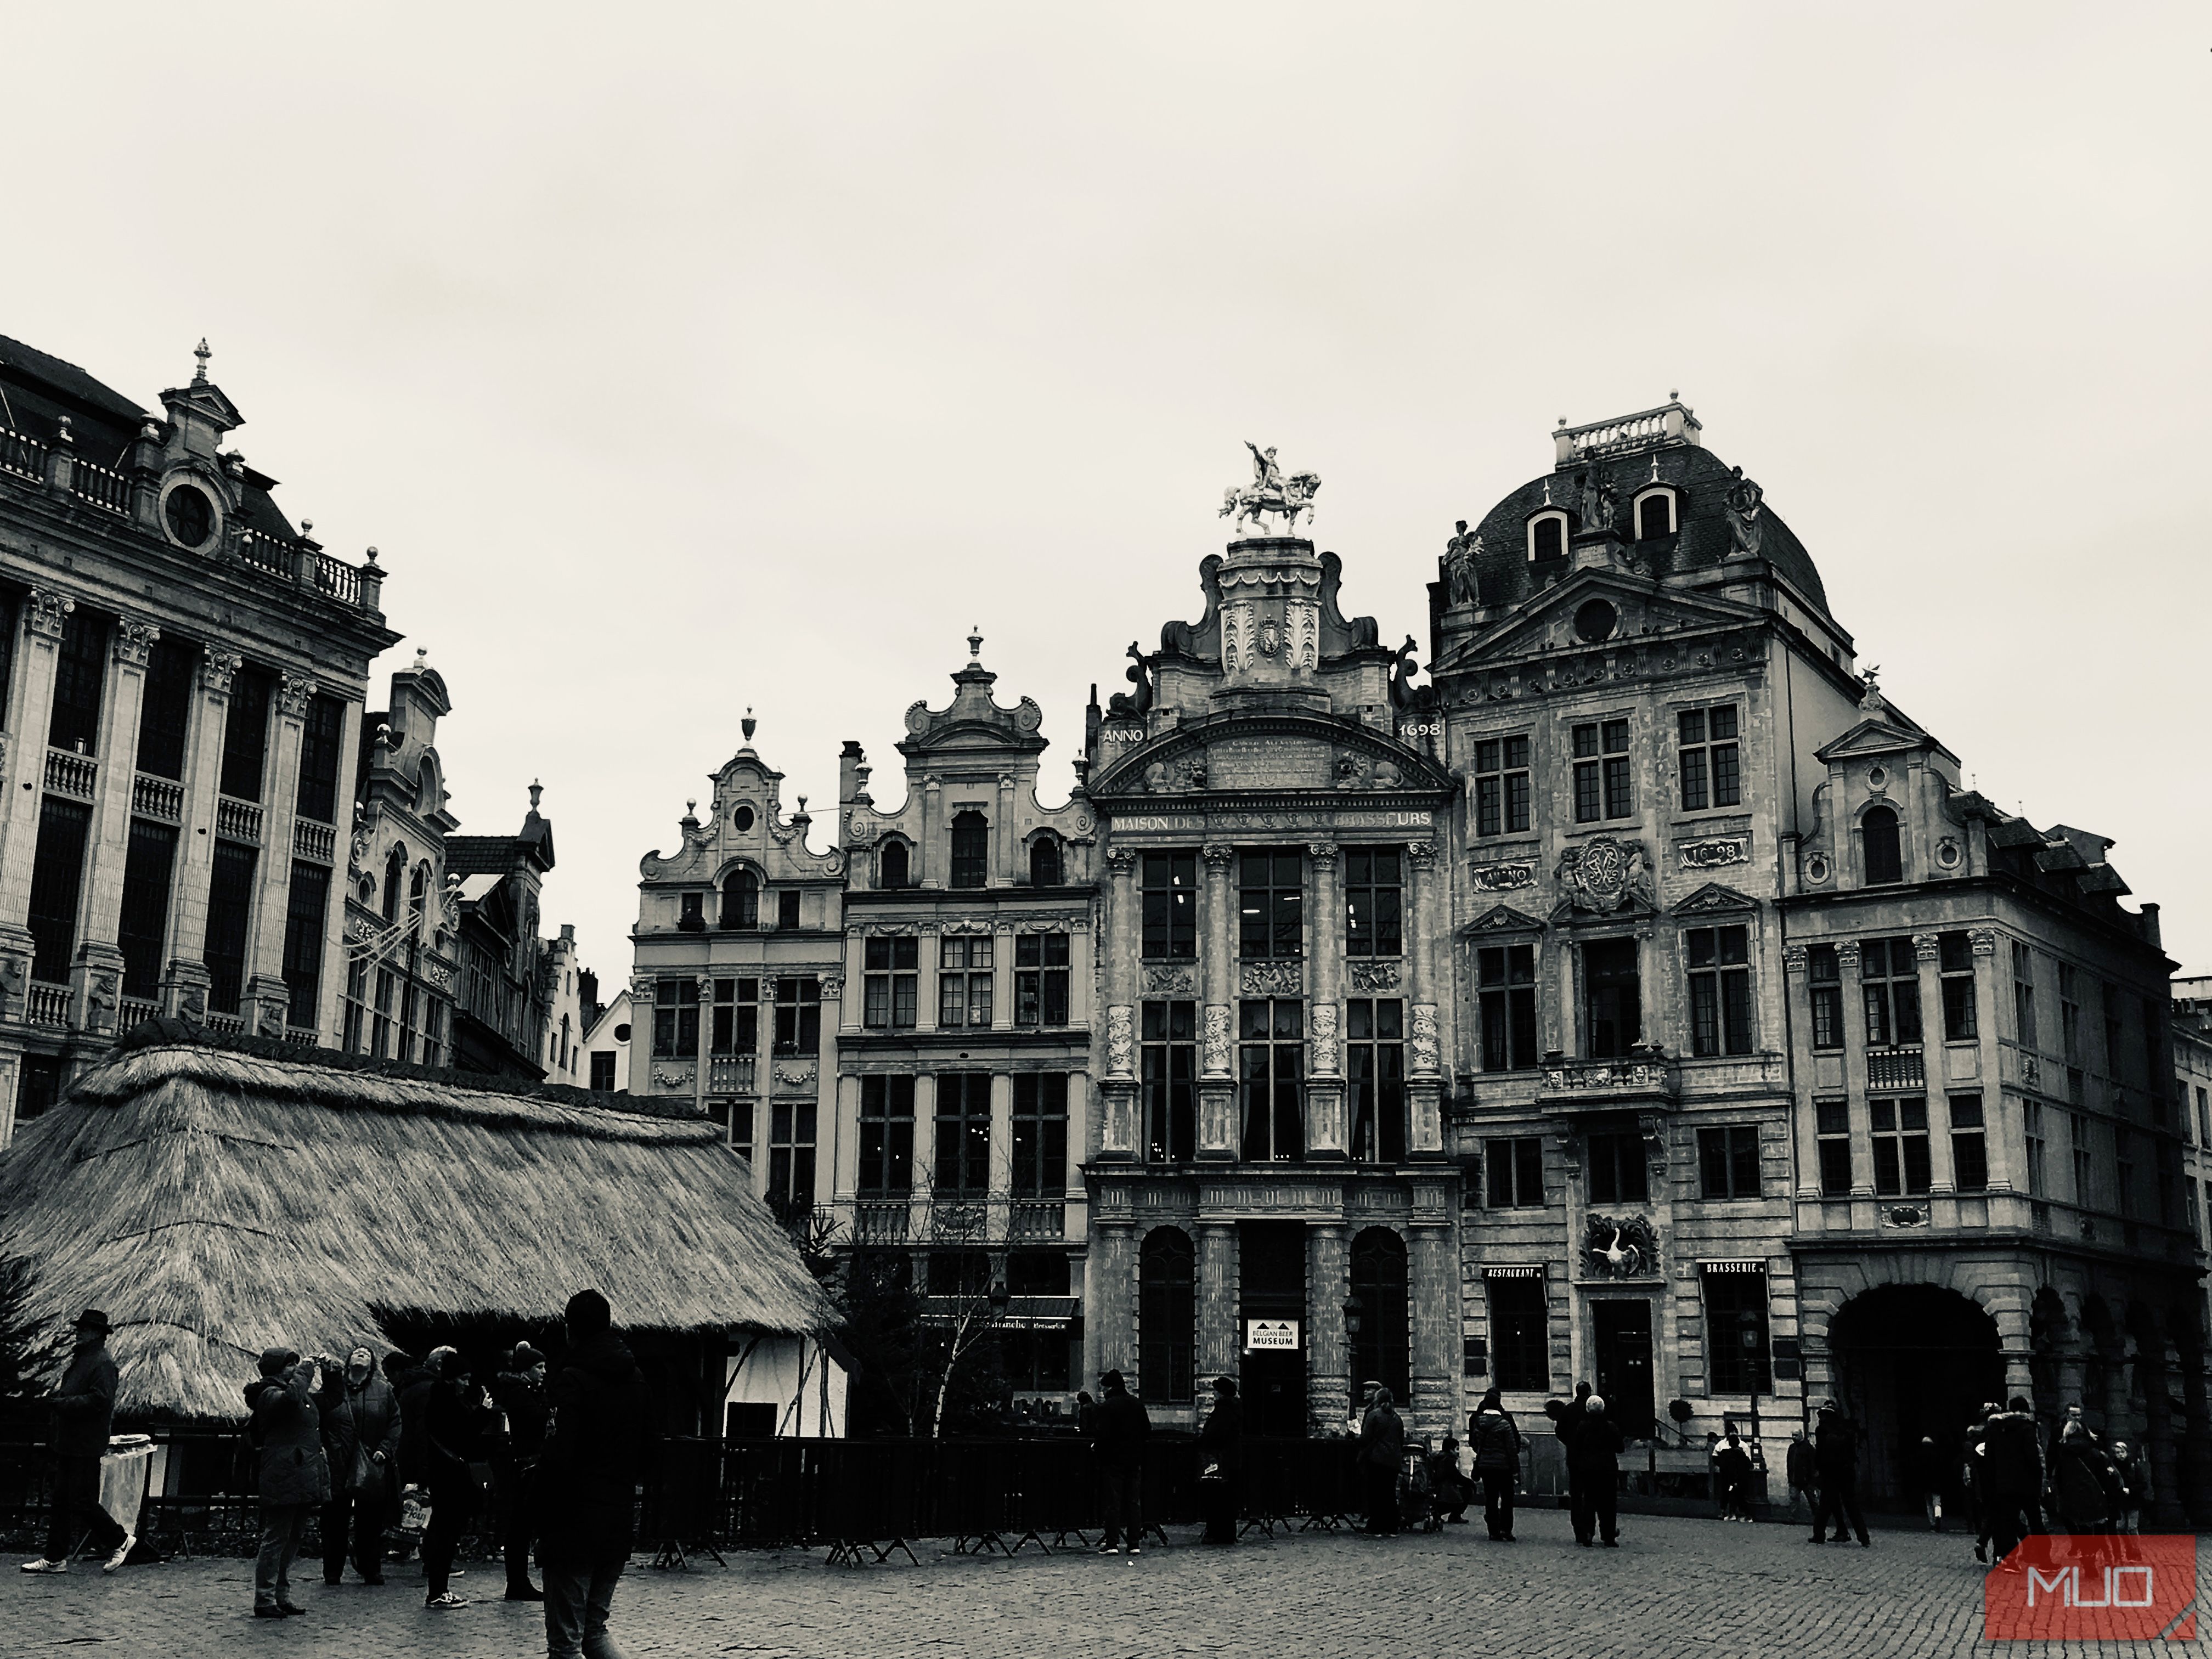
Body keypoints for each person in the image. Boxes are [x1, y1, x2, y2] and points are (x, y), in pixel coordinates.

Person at [537, 1289, 647, 1659]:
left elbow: (558, 1455)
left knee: (565, 1640)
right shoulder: (636, 1379)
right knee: (595, 1629)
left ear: (570, 1330)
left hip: (573, 1518)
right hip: (616, 1514)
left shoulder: (571, 1380)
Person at [19, 1309, 129, 1576]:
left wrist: (64, 1405)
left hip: (85, 1443)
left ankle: (120, 1540)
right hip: (70, 1441)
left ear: (97, 1334)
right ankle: (55, 1558)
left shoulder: (101, 1363)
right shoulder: (84, 1360)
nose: (78, 1332)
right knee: (62, 1500)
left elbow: (101, 1400)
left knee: (81, 1499)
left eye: (84, 1329)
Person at [244, 1347, 330, 1618]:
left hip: (302, 1470)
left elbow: (331, 1400)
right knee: (277, 1536)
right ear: (277, 1369)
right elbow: (290, 1399)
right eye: (290, 1365)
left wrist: (331, 1374)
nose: (296, 1369)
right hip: (284, 1472)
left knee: (293, 1537)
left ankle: (281, 1594)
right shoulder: (267, 1394)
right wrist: (306, 1370)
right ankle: (264, 1597)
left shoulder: (298, 1392)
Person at [318, 1346, 399, 1585]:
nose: (362, 1353)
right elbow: (321, 1420)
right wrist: (325, 1448)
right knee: (334, 1520)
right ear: (348, 1361)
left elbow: (395, 1422)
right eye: (357, 1352)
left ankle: (371, 1568)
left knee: (370, 1520)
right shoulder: (334, 1388)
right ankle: (332, 1571)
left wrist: (385, 1450)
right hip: (337, 1462)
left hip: (371, 1460)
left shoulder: (383, 1391)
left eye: (367, 1352)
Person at [420, 1347, 492, 1609]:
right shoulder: (445, 1402)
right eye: (463, 1378)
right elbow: (463, 1435)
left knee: (445, 1532)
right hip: (448, 1477)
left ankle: (439, 1589)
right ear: (452, 1378)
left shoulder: (443, 1399)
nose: (466, 1384)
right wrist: (483, 1412)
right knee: (446, 1533)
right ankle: (438, 1591)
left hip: (445, 1475)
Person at [489, 1342, 550, 1600]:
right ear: (527, 1370)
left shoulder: (529, 1391)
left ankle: (520, 1581)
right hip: (523, 1467)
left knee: (523, 1528)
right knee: (519, 1528)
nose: (544, 1372)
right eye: (539, 1367)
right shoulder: (519, 1394)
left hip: (529, 1463)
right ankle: (517, 1582)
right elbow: (536, 1420)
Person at [1977, 1396, 2044, 1566]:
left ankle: (2010, 1561)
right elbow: (2033, 1460)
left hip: (2004, 1485)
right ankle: (2044, 1561)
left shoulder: (1997, 1429)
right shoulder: (2027, 1429)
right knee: (2036, 1524)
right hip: (2027, 1486)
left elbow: (1989, 1459)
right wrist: (2038, 1481)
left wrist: (1994, 1482)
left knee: (2007, 1524)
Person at [1090, 1369, 1150, 1555]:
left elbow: (1102, 1435)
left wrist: (1098, 1450)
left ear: (1108, 1388)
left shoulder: (1108, 1407)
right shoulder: (1137, 1404)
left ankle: (1112, 1543)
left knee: (1113, 1502)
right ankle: (1134, 1543)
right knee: (1133, 1503)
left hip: (1113, 1460)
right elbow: (1147, 1430)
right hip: (1134, 1458)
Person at [1559, 1391, 1624, 1547]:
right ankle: (1608, 1535)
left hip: (1587, 1469)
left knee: (1589, 1502)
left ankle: (1588, 1534)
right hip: (1607, 1468)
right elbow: (1620, 1448)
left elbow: (1576, 1446)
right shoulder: (1610, 1427)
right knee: (1608, 1503)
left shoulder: (1583, 1427)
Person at [2050, 1420, 2122, 1555]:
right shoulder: (2094, 1452)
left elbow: (2059, 1478)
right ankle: (2106, 1554)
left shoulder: (2063, 1454)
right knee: (2100, 1525)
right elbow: (2104, 1477)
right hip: (2095, 1495)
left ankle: (2089, 1564)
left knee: (2084, 1530)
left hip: (2074, 1496)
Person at [1808, 1399, 1869, 1547]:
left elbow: (1821, 1455)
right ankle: (1863, 1537)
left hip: (1830, 1474)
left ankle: (1819, 1535)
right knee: (1851, 1506)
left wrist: (1818, 1470)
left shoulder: (1822, 1431)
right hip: (1846, 1473)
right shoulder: (1846, 1431)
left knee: (1825, 1507)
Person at [1469, 1387, 1523, 1542]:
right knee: (1507, 1497)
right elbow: (1512, 1448)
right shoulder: (1505, 1423)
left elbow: (1474, 1443)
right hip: (1503, 1466)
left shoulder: (1477, 1422)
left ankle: (1493, 1531)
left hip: (1486, 1465)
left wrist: (1484, 1454)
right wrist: (1515, 1469)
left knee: (1490, 1498)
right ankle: (1506, 1529)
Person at [1196, 1375, 1243, 1545]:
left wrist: (1201, 1441)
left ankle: (1219, 1534)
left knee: (1218, 1499)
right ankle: (1227, 1533)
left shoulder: (1223, 1411)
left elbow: (1215, 1436)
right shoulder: (1234, 1409)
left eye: (1216, 1390)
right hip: (1231, 1461)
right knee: (1228, 1500)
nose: (1213, 1393)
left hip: (1220, 1462)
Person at [1358, 1383, 1405, 1537]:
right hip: (1394, 1460)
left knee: (1375, 1494)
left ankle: (1376, 1527)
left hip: (1377, 1459)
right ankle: (1392, 1527)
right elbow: (1401, 1440)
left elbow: (1365, 1438)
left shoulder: (1374, 1415)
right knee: (1389, 1494)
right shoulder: (1397, 1418)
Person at [1713, 1425, 1755, 1523]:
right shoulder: (1739, 1452)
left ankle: (1737, 1514)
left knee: (1736, 1495)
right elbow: (1748, 1464)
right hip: (1738, 1478)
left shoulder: (1728, 1454)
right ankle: (1736, 1513)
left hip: (1733, 1477)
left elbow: (1732, 1467)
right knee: (1734, 1495)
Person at [1429, 1436, 1473, 1525]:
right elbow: (1456, 1477)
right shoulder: (1448, 1460)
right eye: (1457, 1449)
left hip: (1437, 1490)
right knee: (1468, 1489)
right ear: (1451, 1450)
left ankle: (1441, 1513)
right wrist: (1470, 1482)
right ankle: (1455, 1515)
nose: (1458, 1452)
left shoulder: (1439, 1458)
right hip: (1445, 1493)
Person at [2108, 1439, 2148, 1534]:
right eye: (2118, 1453)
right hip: (2119, 1501)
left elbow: (2143, 1484)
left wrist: (2131, 1490)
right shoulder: (2112, 1468)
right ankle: (2128, 1547)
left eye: (2123, 1452)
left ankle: (2135, 1548)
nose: (2121, 1455)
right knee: (2120, 1527)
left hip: (2133, 1501)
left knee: (2132, 1527)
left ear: (2127, 1453)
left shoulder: (2133, 1467)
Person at [1910, 1435, 1948, 1531]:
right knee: (1937, 1502)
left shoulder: (1920, 1455)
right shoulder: (1937, 1455)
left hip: (1925, 1483)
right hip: (1937, 1482)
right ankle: (1938, 1517)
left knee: (1929, 1503)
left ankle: (1932, 1523)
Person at [1784, 1429, 1818, 1525]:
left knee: (1812, 1500)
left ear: (1801, 1435)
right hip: (1795, 1479)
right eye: (1793, 1435)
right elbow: (1789, 1463)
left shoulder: (1808, 1447)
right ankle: (1792, 1518)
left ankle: (1818, 1517)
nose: (1793, 1437)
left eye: (1795, 1435)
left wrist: (1812, 1477)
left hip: (1806, 1479)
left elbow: (1813, 1463)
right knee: (1793, 1499)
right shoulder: (1792, 1447)